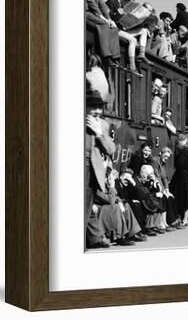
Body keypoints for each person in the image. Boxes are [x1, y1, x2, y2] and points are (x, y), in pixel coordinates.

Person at [85, 67, 116, 248]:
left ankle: (94, 238)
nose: (98, 110)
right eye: (93, 106)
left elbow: (111, 149)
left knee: (86, 206)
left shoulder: (102, 125)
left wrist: (99, 134)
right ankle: (94, 238)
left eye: (100, 107)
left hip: (93, 171)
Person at [85, 0, 121, 69]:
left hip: (93, 14)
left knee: (113, 28)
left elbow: (102, 5)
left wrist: (109, 19)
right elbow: (90, 2)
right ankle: (106, 56)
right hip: (86, 12)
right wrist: (102, 17)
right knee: (104, 24)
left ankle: (115, 57)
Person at [150, 148, 182, 229]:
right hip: (155, 187)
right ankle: (170, 221)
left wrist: (167, 189)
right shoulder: (155, 161)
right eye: (165, 156)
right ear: (161, 153)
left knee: (171, 197)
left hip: (162, 187)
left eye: (168, 157)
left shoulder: (163, 163)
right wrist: (163, 191)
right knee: (166, 199)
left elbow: (164, 178)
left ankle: (173, 220)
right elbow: (157, 177)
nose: (166, 158)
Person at [169, 135, 188, 226]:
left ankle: (180, 218)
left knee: (179, 196)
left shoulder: (182, 151)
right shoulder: (187, 150)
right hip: (186, 176)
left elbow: (179, 164)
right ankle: (185, 219)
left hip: (181, 176)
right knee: (185, 196)